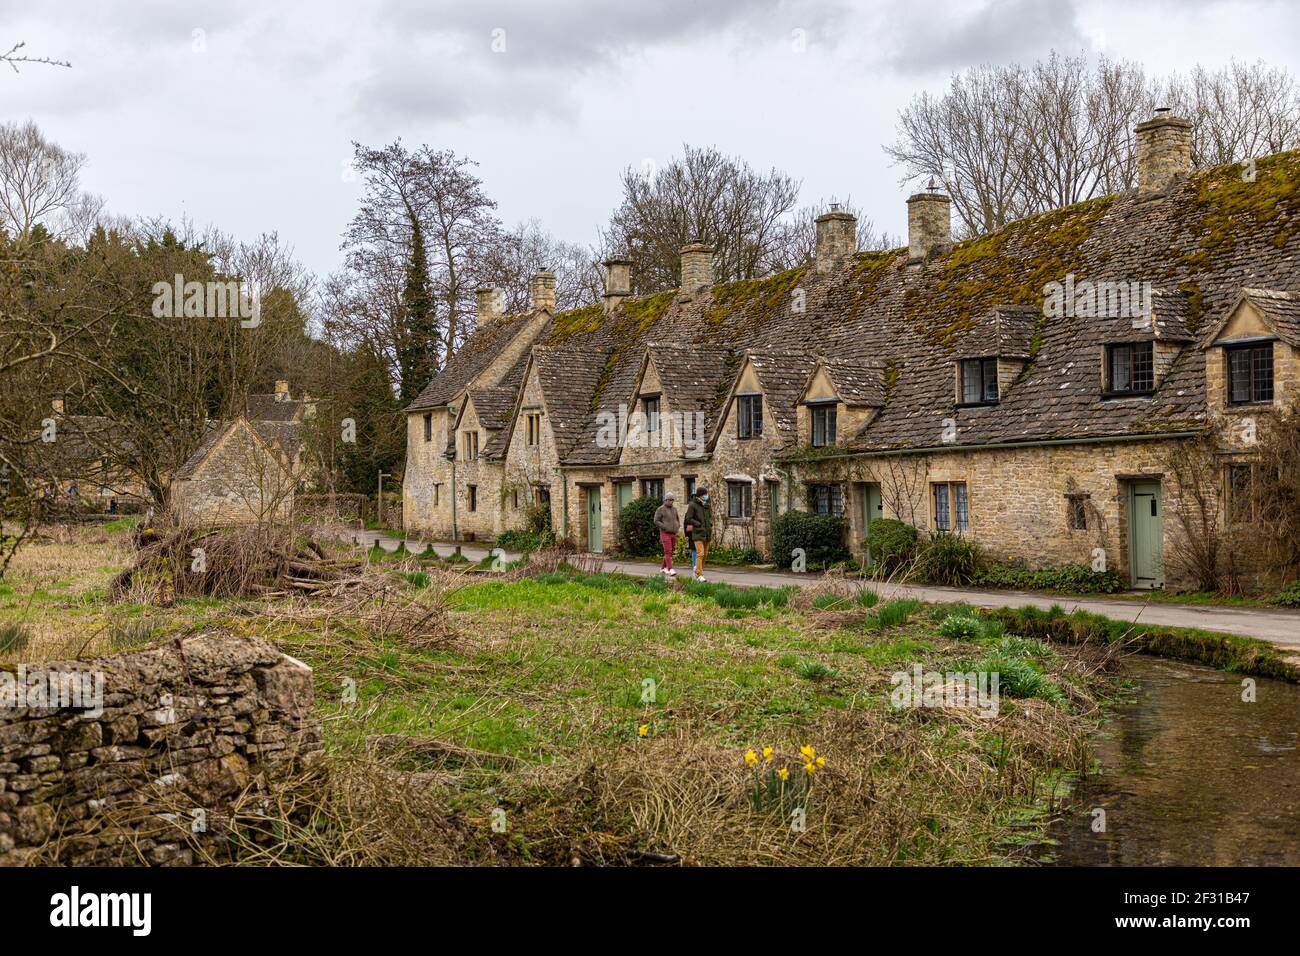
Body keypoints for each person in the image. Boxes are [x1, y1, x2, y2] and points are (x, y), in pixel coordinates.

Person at [683, 486, 712, 581]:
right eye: (705, 494)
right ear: (700, 495)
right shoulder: (692, 505)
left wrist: (710, 524)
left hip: (706, 533)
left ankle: (697, 569)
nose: (706, 496)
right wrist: (698, 524)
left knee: (705, 554)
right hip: (698, 533)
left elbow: (709, 517)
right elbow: (688, 518)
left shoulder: (706, 505)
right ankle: (699, 574)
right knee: (700, 553)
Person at [653, 492, 680, 576]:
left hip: (673, 532)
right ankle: (670, 569)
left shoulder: (674, 509)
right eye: (669, 500)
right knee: (668, 551)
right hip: (665, 532)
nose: (671, 501)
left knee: (671, 551)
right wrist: (664, 527)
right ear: (665, 500)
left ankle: (662, 568)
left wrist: (677, 526)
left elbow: (677, 519)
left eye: (672, 500)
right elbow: (656, 520)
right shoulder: (660, 509)